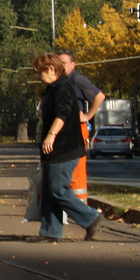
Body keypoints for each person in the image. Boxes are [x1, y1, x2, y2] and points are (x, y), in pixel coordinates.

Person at [33, 52, 103, 242]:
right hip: (54, 151)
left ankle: (91, 218)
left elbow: (62, 114)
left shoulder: (63, 87)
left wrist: (51, 135)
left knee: (58, 190)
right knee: (49, 192)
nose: (39, 76)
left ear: (52, 69)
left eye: (41, 71)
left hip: (64, 149)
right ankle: (50, 232)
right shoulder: (52, 89)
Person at [58, 51, 105, 204]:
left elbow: (99, 96)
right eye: (58, 63)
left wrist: (88, 116)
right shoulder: (62, 81)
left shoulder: (77, 79)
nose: (61, 66)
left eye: (64, 63)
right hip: (66, 130)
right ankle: (70, 206)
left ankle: (81, 208)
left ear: (73, 65)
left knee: (77, 170)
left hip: (77, 129)